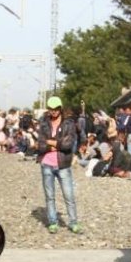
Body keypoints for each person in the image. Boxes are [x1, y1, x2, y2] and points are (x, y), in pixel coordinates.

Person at [37, 96, 81, 234]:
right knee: (50, 196)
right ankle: (52, 222)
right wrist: (56, 145)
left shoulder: (69, 124)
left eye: (56, 109)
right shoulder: (44, 124)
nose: (54, 112)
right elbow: (40, 145)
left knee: (69, 196)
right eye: (51, 109)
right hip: (46, 164)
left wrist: (50, 142)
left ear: (60, 109)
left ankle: (73, 222)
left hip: (63, 164)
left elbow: (68, 145)